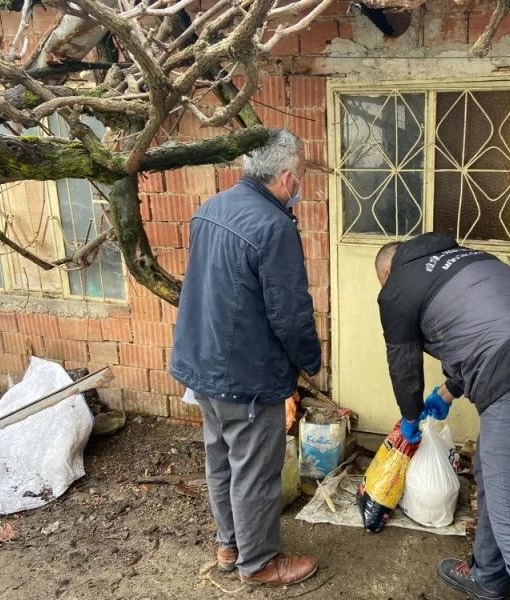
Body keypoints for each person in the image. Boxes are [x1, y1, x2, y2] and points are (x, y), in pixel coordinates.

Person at [375, 232, 510, 600]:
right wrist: (447, 391)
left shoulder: (396, 288)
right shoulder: (468, 258)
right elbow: (485, 330)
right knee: (492, 470)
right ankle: (487, 575)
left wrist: (410, 419)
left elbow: (403, 369)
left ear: (389, 271)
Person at [170, 129, 321, 587]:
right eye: (302, 177)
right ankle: (259, 563)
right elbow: (290, 312)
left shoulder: (211, 208)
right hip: (245, 373)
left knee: (220, 459)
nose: (300, 187)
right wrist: (310, 361)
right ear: (288, 177)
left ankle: (229, 544)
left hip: (202, 363)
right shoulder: (273, 227)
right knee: (255, 470)